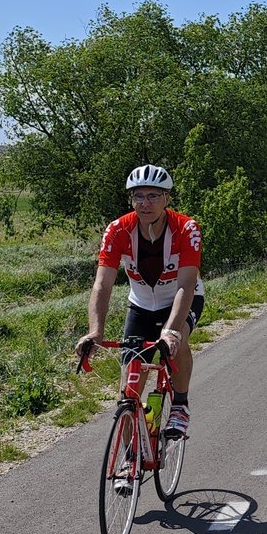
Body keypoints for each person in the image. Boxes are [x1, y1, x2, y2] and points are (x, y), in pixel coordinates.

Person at [75, 164, 204, 437]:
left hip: (182, 298)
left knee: (177, 337)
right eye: (138, 196)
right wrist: (95, 331)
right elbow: (102, 284)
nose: (145, 203)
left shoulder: (186, 229)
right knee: (127, 394)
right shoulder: (117, 230)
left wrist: (170, 332)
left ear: (167, 198)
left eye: (153, 196)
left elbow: (186, 284)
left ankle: (180, 405)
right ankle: (126, 466)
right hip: (142, 305)